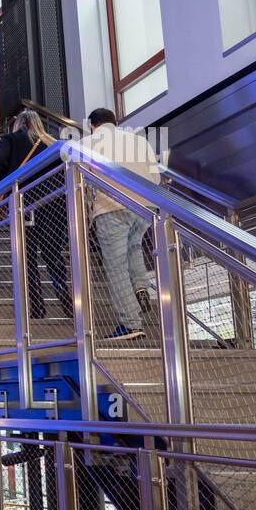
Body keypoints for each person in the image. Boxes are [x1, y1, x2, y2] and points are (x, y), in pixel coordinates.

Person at [75, 107, 162, 340]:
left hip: (111, 205)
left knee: (116, 267)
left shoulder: (87, 142)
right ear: (115, 122)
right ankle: (141, 287)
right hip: (145, 206)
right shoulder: (139, 140)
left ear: (92, 125)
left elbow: (80, 177)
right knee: (133, 249)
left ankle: (131, 324)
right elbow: (156, 177)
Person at [0, 109, 73, 321]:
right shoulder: (54, 145)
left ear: (18, 124)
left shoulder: (12, 140)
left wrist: (0, 185)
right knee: (53, 254)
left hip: (24, 205)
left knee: (27, 257)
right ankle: (69, 303)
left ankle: (36, 308)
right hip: (53, 206)